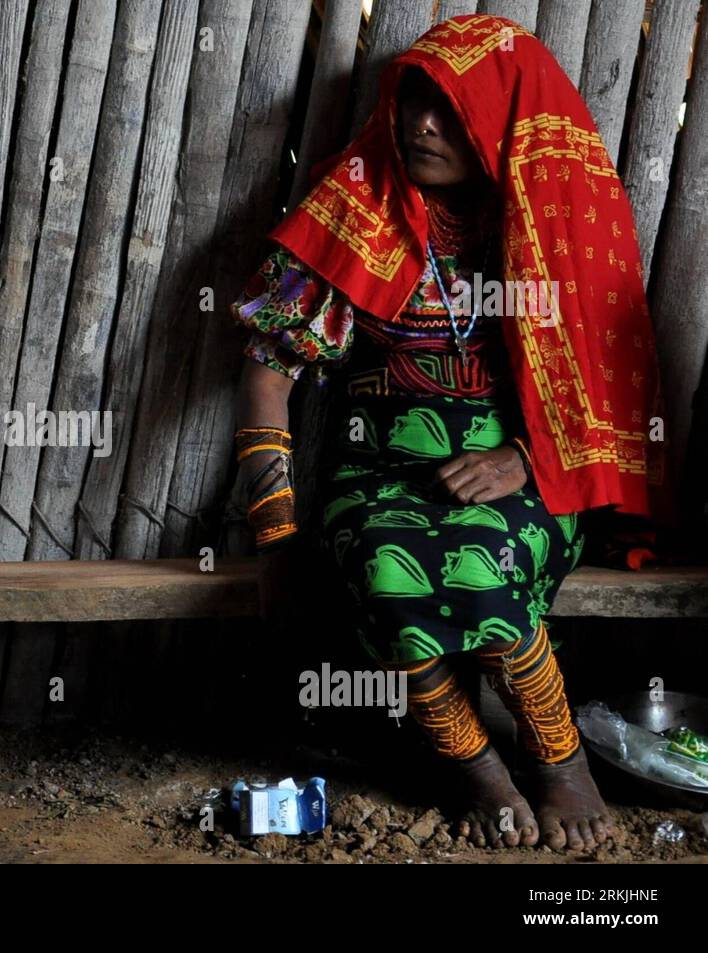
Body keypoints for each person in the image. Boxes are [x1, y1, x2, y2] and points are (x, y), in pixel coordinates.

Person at [231, 14, 660, 851]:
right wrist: (278, 535)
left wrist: (526, 459)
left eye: (452, 110)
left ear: (499, 123)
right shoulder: (360, 204)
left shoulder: (554, 222)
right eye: (414, 104)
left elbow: (609, 380)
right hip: (379, 468)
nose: (422, 125)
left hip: (530, 470)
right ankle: (477, 769)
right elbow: (268, 370)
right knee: (388, 575)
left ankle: (560, 758)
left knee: (484, 567)